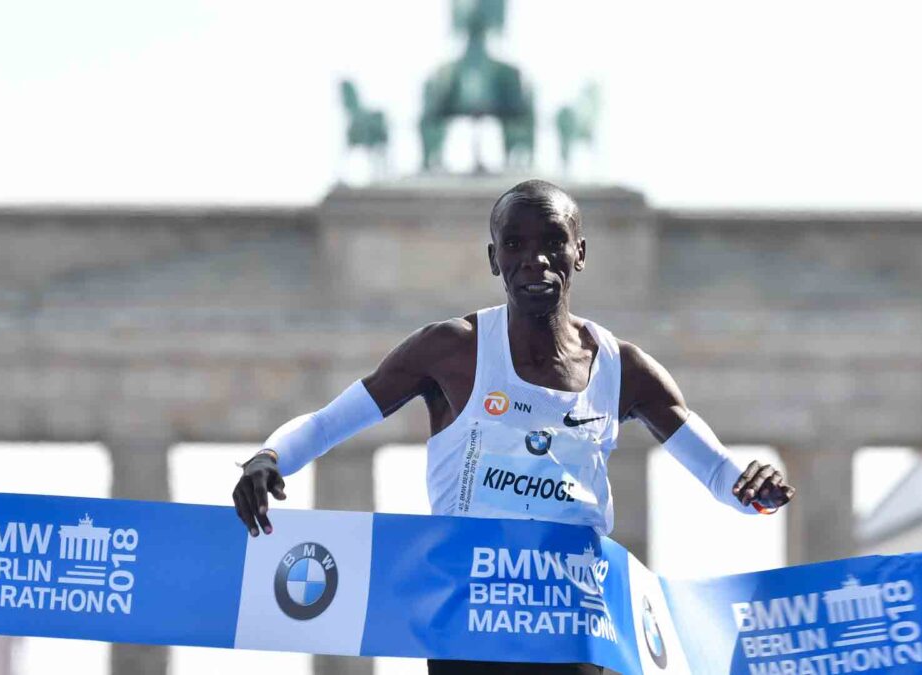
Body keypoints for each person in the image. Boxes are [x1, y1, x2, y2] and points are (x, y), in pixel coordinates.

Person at [232, 179, 795, 675]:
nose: (535, 259)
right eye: (516, 245)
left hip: (573, 621)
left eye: (553, 241)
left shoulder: (626, 367)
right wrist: (270, 457)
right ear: (493, 258)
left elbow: (723, 476)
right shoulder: (451, 348)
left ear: (579, 252)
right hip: (468, 620)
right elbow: (332, 420)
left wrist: (756, 488)